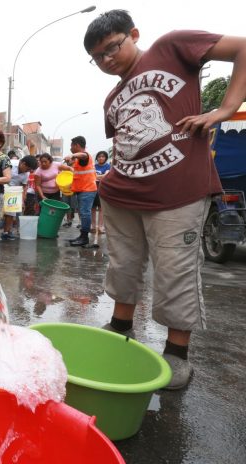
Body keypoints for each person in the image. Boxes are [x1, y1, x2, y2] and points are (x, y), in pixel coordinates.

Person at [83, 9, 246, 389]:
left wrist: (224, 110)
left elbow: (242, 49)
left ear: (133, 33)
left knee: (176, 272)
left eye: (112, 48)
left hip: (178, 192)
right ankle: (121, 327)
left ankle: (176, 353)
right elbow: (122, 143)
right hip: (122, 194)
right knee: (122, 266)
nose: (107, 60)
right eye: (98, 58)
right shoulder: (112, 98)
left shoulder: (172, 46)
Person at [64, 136, 97, 246]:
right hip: (82, 190)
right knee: (83, 213)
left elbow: (83, 155)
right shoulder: (79, 160)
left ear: (77, 145)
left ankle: (84, 238)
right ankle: (82, 236)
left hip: (87, 190)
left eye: (71, 146)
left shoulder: (85, 155)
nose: (70, 148)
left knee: (84, 213)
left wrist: (73, 155)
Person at [1, 155, 38, 240]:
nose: (28, 171)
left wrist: (22, 199)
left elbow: (24, 186)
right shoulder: (10, 164)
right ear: (23, 163)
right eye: (28, 169)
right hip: (1, 187)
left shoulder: (26, 173)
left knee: (11, 212)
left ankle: (6, 232)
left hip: (13, 191)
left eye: (29, 170)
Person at [92, 150, 111, 233]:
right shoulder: (94, 166)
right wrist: (98, 177)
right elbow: (91, 176)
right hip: (92, 189)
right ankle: (93, 226)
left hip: (103, 189)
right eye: (99, 156)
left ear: (106, 158)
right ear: (97, 158)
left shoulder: (108, 166)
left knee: (101, 208)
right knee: (92, 208)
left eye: (103, 156)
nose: (101, 158)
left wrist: (96, 176)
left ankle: (100, 227)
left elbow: (105, 176)